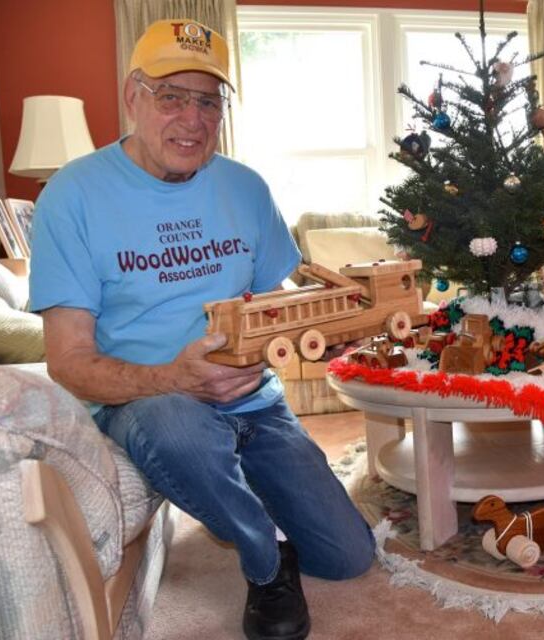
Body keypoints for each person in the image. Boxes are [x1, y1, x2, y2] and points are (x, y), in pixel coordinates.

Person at [29, 19, 375, 640]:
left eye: (208, 101)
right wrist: (174, 378)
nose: (192, 119)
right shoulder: (72, 195)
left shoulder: (244, 187)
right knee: (177, 426)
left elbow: (282, 298)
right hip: (149, 403)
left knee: (349, 559)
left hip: (258, 403)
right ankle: (267, 561)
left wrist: (330, 325)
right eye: (172, 96)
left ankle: (241, 494)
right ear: (132, 95)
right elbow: (67, 359)